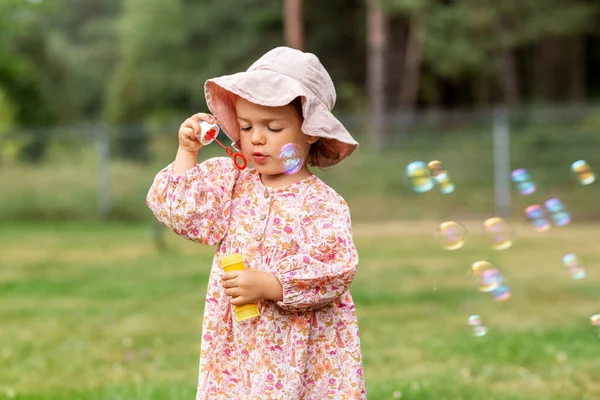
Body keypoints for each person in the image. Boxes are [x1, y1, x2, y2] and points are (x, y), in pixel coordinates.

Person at [146, 46, 366, 399]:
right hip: (237, 343)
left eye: (273, 127)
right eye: (246, 126)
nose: (256, 138)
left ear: (310, 131)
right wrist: (187, 152)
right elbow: (180, 210)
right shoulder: (232, 181)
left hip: (301, 346)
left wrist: (272, 285)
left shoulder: (322, 204)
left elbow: (336, 269)